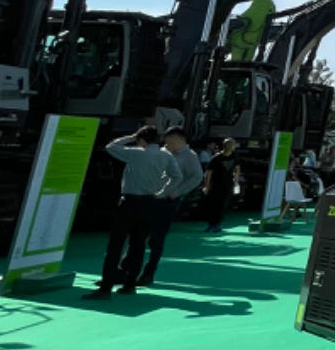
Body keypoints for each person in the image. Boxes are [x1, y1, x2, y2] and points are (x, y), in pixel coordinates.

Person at [84, 126, 176, 299]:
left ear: (141, 140)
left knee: (116, 245)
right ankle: (130, 284)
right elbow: (176, 176)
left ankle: (106, 286)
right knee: (138, 245)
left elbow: (111, 146)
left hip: (129, 201)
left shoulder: (136, 153)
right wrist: (163, 191)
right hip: (150, 202)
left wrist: (130, 136)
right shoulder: (166, 155)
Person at [138, 128, 204, 286]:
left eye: (169, 141)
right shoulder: (164, 152)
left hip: (167, 201)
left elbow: (197, 177)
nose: (166, 144)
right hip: (150, 197)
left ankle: (148, 273)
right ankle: (125, 270)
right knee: (138, 234)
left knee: (156, 238)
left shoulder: (190, 156)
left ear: (178, 139)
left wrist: (178, 192)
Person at [201, 138, 237, 233]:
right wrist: (206, 186)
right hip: (215, 185)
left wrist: (236, 182)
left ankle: (216, 225)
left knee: (222, 205)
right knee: (212, 205)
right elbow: (209, 172)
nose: (234, 146)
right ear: (226, 146)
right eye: (232, 144)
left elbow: (237, 169)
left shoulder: (234, 156)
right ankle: (211, 224)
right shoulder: (216, 158)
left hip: (228, 185)